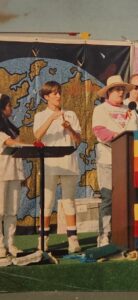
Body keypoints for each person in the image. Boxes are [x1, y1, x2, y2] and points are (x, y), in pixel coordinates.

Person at [33, 81, 81, 253]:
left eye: (59, 92)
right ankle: (43, 239)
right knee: (47, 203)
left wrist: (69, 129)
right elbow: (37, 136)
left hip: (69, 163)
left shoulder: (71, 114)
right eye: (54, 93)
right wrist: (51, 118)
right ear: (46, 97)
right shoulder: (40, 115)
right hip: (49, 164)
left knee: (69, 201)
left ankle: (72, 239)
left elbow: (78, 140)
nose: (59, 96)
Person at [92, 75, 137, 247]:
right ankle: (104, 235)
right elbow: (100, 133)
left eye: (123, 89)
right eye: (117, 89)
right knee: (109, 198)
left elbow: (136, 131)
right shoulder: (100, 110)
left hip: (128, 160)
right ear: (108, 92)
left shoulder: (131, 109)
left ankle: (125, 234)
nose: (121, 92)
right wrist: (121, 137)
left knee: (128, 197)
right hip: (108, 159)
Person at [0, 94, 25, 257]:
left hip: (14, 173)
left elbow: (17, 148)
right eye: (9, 105)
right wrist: (30, 145)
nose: (12, 108)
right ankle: (0, 246)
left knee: (12, 211)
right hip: (1, 173)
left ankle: (10, 244)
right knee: (0, 210)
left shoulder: (11, 127)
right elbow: (9, 143)